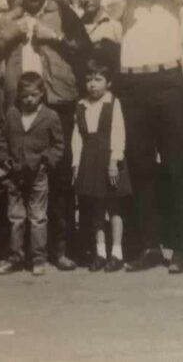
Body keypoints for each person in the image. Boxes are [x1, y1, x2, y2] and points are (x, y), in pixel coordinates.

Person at [0, 0, 91, 270]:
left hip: (56, 103)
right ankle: (21, 252)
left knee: (57, 177)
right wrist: (10, 36)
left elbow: (84, 51)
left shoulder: (64, 13)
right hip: (19, 108)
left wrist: (53, 36)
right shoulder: (9, 18)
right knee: (18, 178)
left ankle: (61, 248)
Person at [101, 0, 183, 274]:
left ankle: (181, 246)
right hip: (135, 86)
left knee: (175, 167)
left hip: (169, 82)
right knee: (141, 168)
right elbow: (107, 4)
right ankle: (151, 245)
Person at [0, 72, 65, 276]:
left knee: (38, 217)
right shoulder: (12, 114)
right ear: (19, 95)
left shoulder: (50, 117)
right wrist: (3, 159)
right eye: (25, 95)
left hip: (39, 174)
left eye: (33, 95)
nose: (29, 99)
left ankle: (38, 258)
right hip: (14, 172)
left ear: (41, 94)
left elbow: (59, 145)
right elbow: (2, 140)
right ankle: (15, 256)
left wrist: (46, 161)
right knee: (16, 216)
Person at [71, 59, 130, 272]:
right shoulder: (81, 105)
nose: (93, 84)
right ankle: (100, 253)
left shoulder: (112, 102)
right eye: (89, 80)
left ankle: (117, 252)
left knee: (113, 207)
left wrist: (115, 160)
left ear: (108, 83)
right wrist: (76, 164)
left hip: (109, 160)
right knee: (96, 209)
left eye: (98, 80)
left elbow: (118, 131)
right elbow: (77, 137)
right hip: (89, 160)